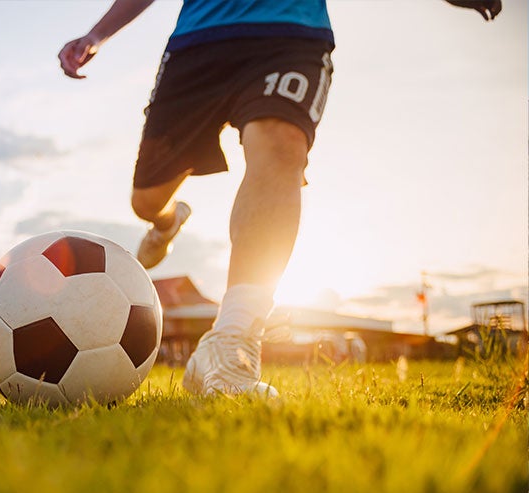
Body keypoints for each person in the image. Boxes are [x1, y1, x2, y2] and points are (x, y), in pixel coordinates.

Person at [58, 0, 501, 397]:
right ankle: (165, 221)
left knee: (280, 145)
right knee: (145, 199)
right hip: (198, 43)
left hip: (291, 33)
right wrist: (96, 35)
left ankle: (232, 342)